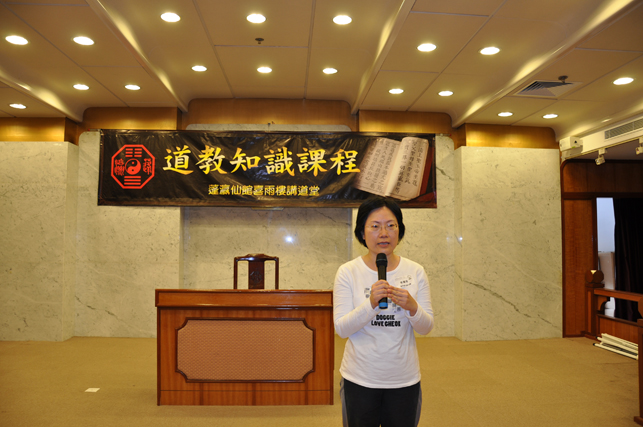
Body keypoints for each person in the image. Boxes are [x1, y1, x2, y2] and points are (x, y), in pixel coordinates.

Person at [333, 196, 434, 427]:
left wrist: (412, 307)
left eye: (391, 225)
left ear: (400, 230)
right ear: (362, 232)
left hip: (404, 378)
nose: (384, 233)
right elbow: (341, 328)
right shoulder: (348, 272)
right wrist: (370, 304)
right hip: (360, 378)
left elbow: (426, 327)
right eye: (375, 226)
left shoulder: (415, 271)